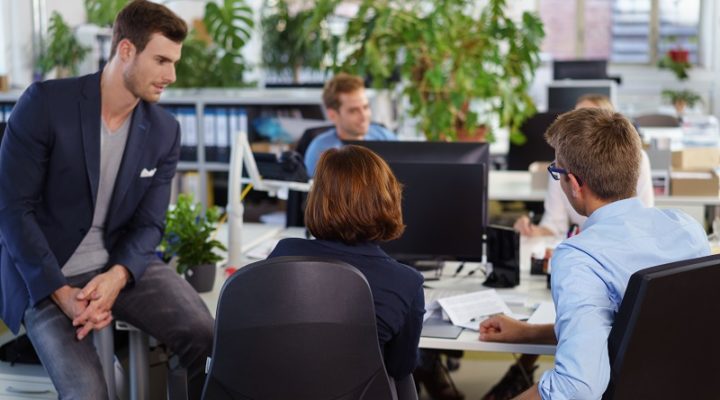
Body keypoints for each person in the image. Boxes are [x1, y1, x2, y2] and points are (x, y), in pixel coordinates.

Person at [0, 2, 213, 398]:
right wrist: (61, 293)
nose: (172, 76)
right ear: (126, 50)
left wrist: (117, 276)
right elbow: (13, 210)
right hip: (47, 273)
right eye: (162, 60)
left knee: (207, 335)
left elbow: (150, 225)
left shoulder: (164, 130)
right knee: (89, 393)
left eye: (175, 62)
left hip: (122, 264)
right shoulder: (45, 104)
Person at [479, 108, 709, 400]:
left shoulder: (580, 258)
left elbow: (576, 387)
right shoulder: (686, 228)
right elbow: (634, 330)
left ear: (574, 184)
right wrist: (528, 333)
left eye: (556, 172)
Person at [268, 145, 424, 384]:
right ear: (389, 197)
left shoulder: (284, 254)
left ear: (317, 198)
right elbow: (401, 366)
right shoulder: (406, 282)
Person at [514, 94, 654, 237]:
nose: (579, 128)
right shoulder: (562, 164)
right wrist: (530, 231)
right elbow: (554, 226)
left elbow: (642, 220)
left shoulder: (637, 159)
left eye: (590, 120)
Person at [303, 72, 395, 176]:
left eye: (365, 107)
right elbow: (313, 190)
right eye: (353, 111)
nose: (364, 116)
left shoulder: (385, 136)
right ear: (333, 115)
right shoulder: (319, 148)